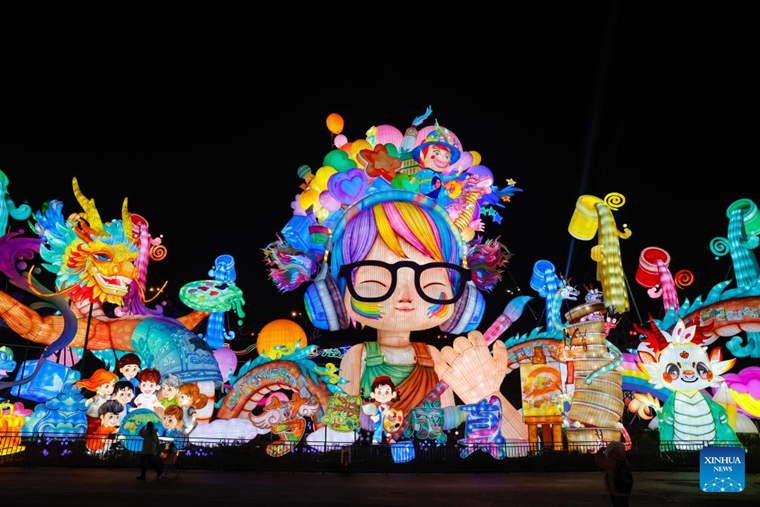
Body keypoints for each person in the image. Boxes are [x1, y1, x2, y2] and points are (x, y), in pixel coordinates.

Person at [74, 369, 118, 437]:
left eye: (112, 385)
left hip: (100, 417)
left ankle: (96, 440)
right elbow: (93, 399)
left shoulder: (107, 397)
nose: (111, 389)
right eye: (107, 386)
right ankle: (89, 440)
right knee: (91, 429)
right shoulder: (98, 396)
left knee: (98, 430)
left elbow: (111, 399)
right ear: (98, 386)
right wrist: (88, 401)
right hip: (92, 416)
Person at [595, 441, 632, 507]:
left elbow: (598, 460)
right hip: (625, 489)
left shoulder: (611, 463)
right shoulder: (625, 461)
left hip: (615, 490)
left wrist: (600, 451)